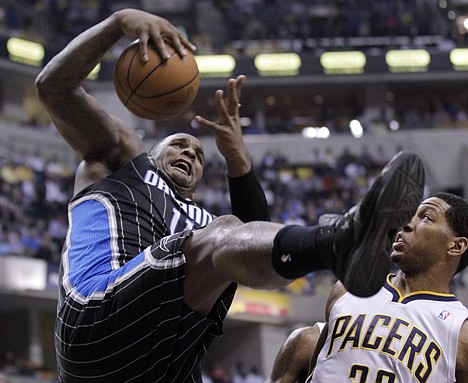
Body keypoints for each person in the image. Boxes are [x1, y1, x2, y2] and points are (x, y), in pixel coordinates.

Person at [35, 8, 426, 383]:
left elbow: (257, 234)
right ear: (152, 151)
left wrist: (238, 158)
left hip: (165, 363)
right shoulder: (120, 162)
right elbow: (53, 88)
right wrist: (117, 24)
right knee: (222, 233)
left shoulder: (200, 223)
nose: (190, 152)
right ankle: (336, 241)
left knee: (230, 236)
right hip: (96, 324)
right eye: (180, 144)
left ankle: (335, 244)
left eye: (200, 155)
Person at [307, 192, 468, 382]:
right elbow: (315, 370)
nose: (407, 224)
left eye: (425, 217)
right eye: (410, 215)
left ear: (456, 246)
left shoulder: (460, 331)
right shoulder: (348, 289)